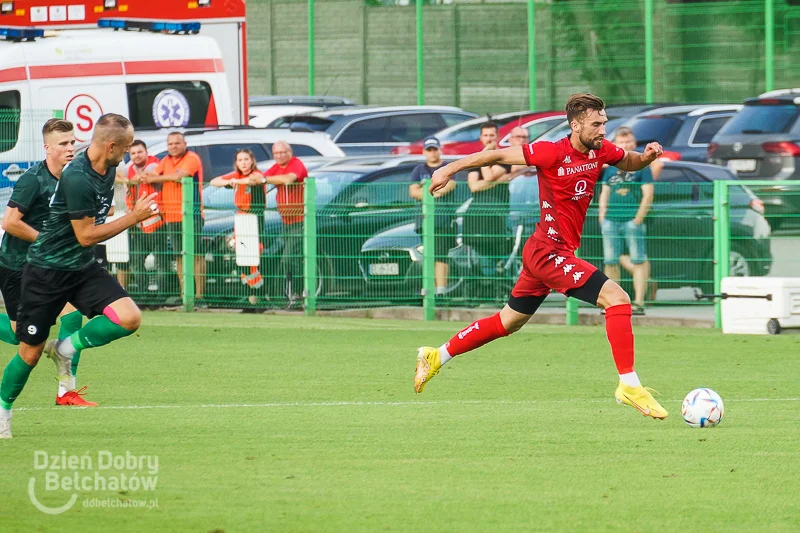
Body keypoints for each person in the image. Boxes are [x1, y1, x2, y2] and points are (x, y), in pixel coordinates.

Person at [414, 93, 669, 420]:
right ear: (576, 125)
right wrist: (450, 167)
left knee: (508, 322)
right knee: (617, 298)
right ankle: (630, 385)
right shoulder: (550, 152)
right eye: (596, 123)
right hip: (548, 251)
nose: (603, 129)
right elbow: (496, 156)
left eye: (605, 122)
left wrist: (646, 157)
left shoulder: (600, 149)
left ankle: (436, 356)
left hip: (546, 252)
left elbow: (628, 161)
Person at [0, 114, 158, 438]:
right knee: (28, 350)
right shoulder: (76, 177)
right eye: (126, 147)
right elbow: (86, 236)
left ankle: (65, 349)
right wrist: (134, 216)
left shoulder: (108, 167)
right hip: (45, 271)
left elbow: (92, 225)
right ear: (111, 145)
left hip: (81, 268)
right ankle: (3, 409)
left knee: (129, 318)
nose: (127, 153)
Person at [0, 119, 95, 407]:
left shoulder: (73, 178)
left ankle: (66, 391)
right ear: (48, 148)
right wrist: (46, 241)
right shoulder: (34, 179)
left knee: (72, 316)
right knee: (24, 339)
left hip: (47, 265)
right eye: (63, 143)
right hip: (16, 265)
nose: (70, 148)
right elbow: (10, 222)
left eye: (72, 142)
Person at [598, 127, 660, 315]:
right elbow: (604, 193)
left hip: (632, 221)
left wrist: (638, 219)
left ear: (634, 144)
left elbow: (648, 194)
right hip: (610, 220)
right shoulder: (609, 169)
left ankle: (639, 302)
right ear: (615, 144)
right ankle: (614, 303)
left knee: (639, 260)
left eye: (628, 142)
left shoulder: (642, 166)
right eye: (621, 142)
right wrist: (602, 217)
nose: (625, 145)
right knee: (610, 261)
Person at [142, 132, 206, 306]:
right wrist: (161, 177)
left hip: (191, 214)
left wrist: (159, 178)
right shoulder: (166, 161)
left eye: (177, 143)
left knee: (196, 255)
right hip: (171, 215)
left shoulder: (192, 158)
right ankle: (184, 293)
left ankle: (199, 296)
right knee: (179, 256)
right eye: (170, 144)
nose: (174, 146)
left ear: (184, 143)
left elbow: (181, 176)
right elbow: (149, 175)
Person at [209, 148, 267, 308]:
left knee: (252, 258)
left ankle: (259, 292)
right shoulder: (236, 176)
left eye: (246, 159)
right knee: (241, 258)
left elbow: (254, 180)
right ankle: (250, 293)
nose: (243, 163)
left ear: (252, 160)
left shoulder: (256, 174)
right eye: (240, 160)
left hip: (254, 218)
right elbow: (215, 181)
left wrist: (237, 181)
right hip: (241, 219)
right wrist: (229, 181)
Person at [409, 137, 457, 296]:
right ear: (424, 152)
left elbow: (450, 185)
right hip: (425, 219)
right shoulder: (418, 170)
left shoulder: (446, 167)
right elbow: (413, 191)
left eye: (434, 149)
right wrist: (431, 193)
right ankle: (429, 288)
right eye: (429, 150)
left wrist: (427, 192)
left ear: (439, 150)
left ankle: (441, 290)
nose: (432, 153)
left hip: (443, 220)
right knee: (428, 254)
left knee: (441, 254)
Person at [264, 141, 307, 305]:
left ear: (290, 152)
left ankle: (299, 292)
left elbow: (290, 179)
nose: (280, 156)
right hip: (285, 222)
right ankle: (276, 295)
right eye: (276, 153)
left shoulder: (296, 164)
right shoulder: (276, 167)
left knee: (288, 258)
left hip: (299, 221)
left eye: (283, 152)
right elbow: (262, 177)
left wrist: (265, 180)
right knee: (278, 257)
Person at [116, 139, 162, 292]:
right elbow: (113, 175)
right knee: (136, 260)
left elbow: (144, 177)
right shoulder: (129, 168)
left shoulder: (154, 164)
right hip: (137, 223)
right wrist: (126, 180)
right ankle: (143, 293)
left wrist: (127, 181)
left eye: (140, 152)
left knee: (161, 261)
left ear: (147, 152)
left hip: (155, 221)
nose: (137, 156)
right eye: (133, 153)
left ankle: (163, 294)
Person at [466, 122, 516, 260]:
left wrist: (484, 156)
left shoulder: (504, 157)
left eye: (492, 135)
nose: (488, 139)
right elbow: (474, 186)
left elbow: (488, 176)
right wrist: (497, 180)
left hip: (500, 213)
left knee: (500, 251)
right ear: (481, 138)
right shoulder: (475, 159)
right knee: (481, 254)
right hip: (479, 215)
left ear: (498, 137)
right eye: (485, 135)